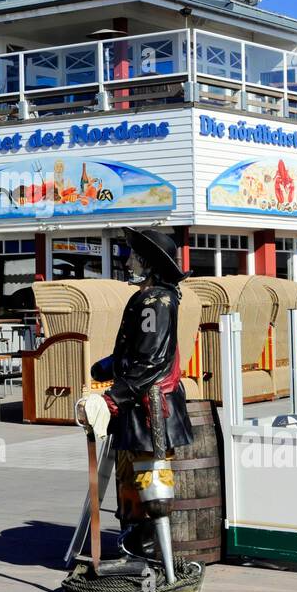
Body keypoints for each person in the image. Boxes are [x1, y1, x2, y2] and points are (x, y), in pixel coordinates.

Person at [90, 228, 194, 570]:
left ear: (148, 264)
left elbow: (151, 361)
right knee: (136, 475)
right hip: (140, 402)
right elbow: (137, 351)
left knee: (153, 479)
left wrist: (111, 396)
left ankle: (152, 552)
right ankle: (139, 544)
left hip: (151, 406)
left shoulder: (156, 301)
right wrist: (107, 366)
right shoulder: (154, 298)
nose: (126, 260)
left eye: (133, 256)